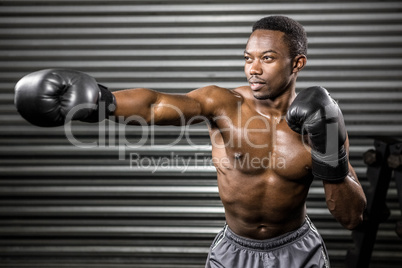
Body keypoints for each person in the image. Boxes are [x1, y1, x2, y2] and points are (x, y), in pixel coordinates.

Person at [14, 15, 366, 268]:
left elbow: (351, 217)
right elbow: (155, 104)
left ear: (297, 63)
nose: (253, 69)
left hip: (297, 251)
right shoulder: (223, 103)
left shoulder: (322, 119)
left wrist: (330, 146)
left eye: (267, 59)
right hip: (234, 251)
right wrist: (100, 102)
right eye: (248, 58)